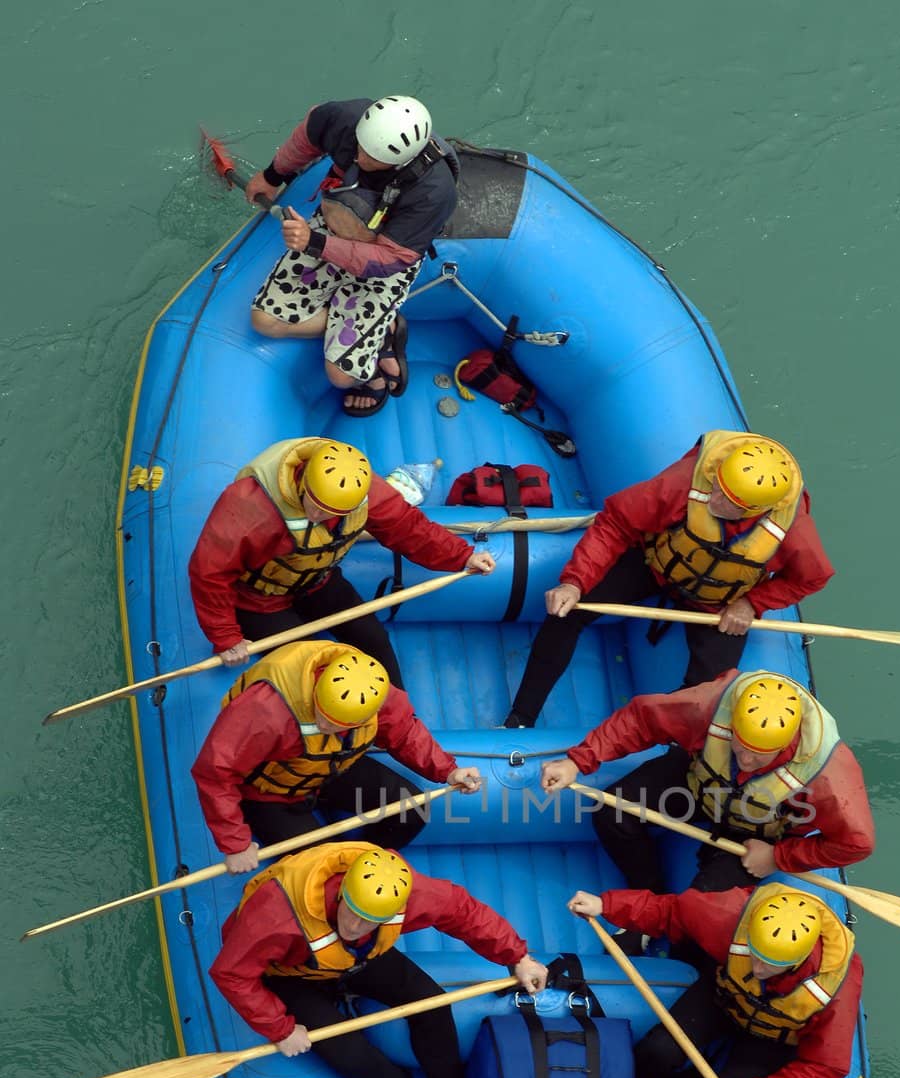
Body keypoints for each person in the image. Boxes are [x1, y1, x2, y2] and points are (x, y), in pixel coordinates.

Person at [211, 844, 548, 1078]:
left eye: (370, 920)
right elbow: (230, 972)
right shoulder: (277, 913)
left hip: (358, 959)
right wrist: (280, 1028)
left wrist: (517, 957)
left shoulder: (406, 896)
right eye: (353, 911)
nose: (355, 925)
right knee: (344, 1048)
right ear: (343, 891)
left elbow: (463, 910)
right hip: (292, 974)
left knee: (431, 1002)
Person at [503, 431, 833, 727]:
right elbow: (616, 524)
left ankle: (655, 753)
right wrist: (574, 582)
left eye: (730, 503)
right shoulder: (682, 483)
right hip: (654, 565)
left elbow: (812, 579)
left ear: (755, 510)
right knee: (566, 613)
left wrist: (751, 603)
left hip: (718, 603)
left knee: (709, 695)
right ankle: (521, 717)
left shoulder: (794, 531)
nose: (715, 500)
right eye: (718, 488)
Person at [541, 670, 874, 904]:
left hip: (758, 835)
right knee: (611, 812)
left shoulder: (830, 776)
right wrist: (578, 762)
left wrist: (778, 856)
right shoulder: (712, 705)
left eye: (759, 756)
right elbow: (641, 720)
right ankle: (650, 892)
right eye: (739, 745)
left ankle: (673, 914)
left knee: (700, 911)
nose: (745, 760)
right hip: (697, 786)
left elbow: (856, 844)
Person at [568, 883, 862, 1078]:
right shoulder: (730, 916)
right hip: (724, 998)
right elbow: (670, 911)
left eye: (770, 965)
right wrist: (606, 904)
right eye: (754, 954)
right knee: (658, 1051)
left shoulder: (838, 988)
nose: (757, 969)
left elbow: (826, 1067)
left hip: (774, 1039)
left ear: (799, 961)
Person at [187, 436, 494, 684]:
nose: (316, 516)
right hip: (259, 601)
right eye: (314, 504)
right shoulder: (249, 505)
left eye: (328, 512)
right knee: (309, 667)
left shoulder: (363, 491)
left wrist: (463, 555)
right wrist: (226, 636)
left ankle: (398, 719)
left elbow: (409, 529)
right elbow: (209, 572)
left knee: (373, 639)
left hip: (318, 581)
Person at [246, 95, 459, 413]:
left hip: (381, 260)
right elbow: (308, 137)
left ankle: (374, 363)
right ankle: (373, 328)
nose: (357, 156)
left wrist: (314, 243)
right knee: (265, 321)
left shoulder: (434, 193)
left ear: (398, 163)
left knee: (341, 376)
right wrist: (273, 176)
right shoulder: (345, 118)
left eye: (370, 156)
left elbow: (390, 259)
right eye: (359, 144)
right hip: (333, 227)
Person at [192, 643, 482, 874]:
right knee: (327, 868)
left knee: (412, 809)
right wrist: (235, 844)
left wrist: (448, 770)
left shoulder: (373, 693)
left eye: (335, 724)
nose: (324, 725)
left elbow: (404, 731)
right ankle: (338, 869)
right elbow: (214, 770)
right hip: (269, 795)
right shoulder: (266, 709)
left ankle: (360, 865)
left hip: (329, 770)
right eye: (321, 717)